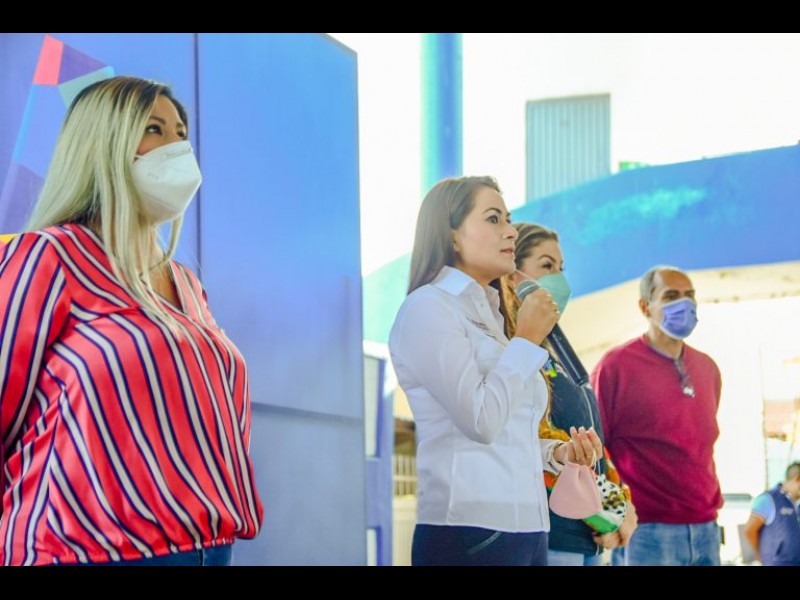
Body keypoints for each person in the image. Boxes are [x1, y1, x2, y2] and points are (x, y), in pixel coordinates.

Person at [0, 76, 263, 566]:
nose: (177, 148)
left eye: (181, 133)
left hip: (207, 548)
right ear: (104, 143)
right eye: (154, 129)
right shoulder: (48, 256)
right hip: (82, 549)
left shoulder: (187, 284)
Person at [388, 176, 602, 566]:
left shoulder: (493, 317)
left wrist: (557, 453)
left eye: (509, 219)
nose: (510, 232)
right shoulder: (429, 309)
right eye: (493, 219)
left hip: (529, 529)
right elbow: (481, 421)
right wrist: (527, 339)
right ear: (452, 236)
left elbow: (507, 431)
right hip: (469, 533)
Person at [500, 222, 638, 566]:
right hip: (554, 534)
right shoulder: (513, 348)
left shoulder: (557, 345)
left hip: (587, 536)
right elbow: (534, 444)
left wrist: (619, 507)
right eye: (546, 266)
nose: (559, 279)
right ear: (513, 276)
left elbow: (589, 438)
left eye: (561, 268)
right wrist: (605, 514)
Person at [591, 265, 723, 566]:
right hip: (646, 531)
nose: (684, 304)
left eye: (690, 295)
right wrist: (610, 519)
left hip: (707, 527)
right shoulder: (616, 367)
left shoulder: (708, 368)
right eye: (671, 296)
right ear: (645, 306)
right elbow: (594, 449)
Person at [742, 462, 800, 566]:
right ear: (797, 479)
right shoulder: (767, 499)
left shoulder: (795, 503)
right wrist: (760, 555)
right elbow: (749, 530)